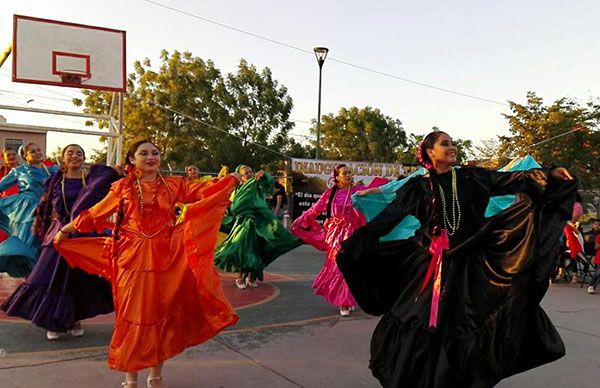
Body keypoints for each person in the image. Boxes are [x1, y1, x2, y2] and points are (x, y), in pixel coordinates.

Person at [337, 131, 577, 387]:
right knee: (420, 325)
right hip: (429, 270)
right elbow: (387, 219)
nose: (452, 147)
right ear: (430, 152)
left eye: (452, 143)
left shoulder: (469, 177)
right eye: (445, 144)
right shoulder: (416, 187)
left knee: (470, 326)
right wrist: (353, 246)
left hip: (471, 268)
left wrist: (549, 174)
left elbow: (511, 179)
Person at [54, 140, 240, 388]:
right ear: (132, 160)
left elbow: (202, 192)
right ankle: (130, 378)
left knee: (159, 315)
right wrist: (66, 230)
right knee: (131, 314)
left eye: (155, 153)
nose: (151, 157)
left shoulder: (174, 185)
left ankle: (156, 376)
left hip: (167, 256)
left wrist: (230, 180)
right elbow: (96, 213)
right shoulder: (122, 188)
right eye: (144, 153)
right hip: (130, 258)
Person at [1, 144, 119, 340]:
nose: (75, 156)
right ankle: (52, 321)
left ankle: (75, 318)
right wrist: (38, 225)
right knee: (50, 276)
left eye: (79, 153)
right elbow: (45, 205)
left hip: (82, 235)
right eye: (70, 153)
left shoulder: (91, 179)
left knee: (78, 279)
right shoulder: (56, 180)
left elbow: (109, 176)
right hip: (57, 235)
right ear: (62, 158)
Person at [291, 164, 386, 316]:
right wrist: (300, 221)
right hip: (336, 236)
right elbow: (314, 210)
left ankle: (348, 297)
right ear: (337, 177)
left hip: (354, 235)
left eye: (349, 173)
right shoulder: (330, 194)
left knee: (354, 267)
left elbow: (375, 200)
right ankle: (343, 302)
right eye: (344, 173)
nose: (348, 175)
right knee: (339, 267)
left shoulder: (358, 192)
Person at [215, 165, 301, 289]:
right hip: (244, 222)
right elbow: (234, 207)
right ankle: (241, 276)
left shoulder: (258, 184)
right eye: (246, 173)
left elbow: (270, 182)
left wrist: (264, 174)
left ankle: (252, 276)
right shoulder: (237, 189)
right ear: (241, 177)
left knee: (260, 247)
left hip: (261, 221)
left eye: (251, 171)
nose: (249, 174)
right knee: (243, 247)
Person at [0, 143, 59, 277]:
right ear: (26, 156)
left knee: (46, 243)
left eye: (39, 150)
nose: (38, 152)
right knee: (29, 244)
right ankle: (31, 277)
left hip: (48, 210)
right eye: (32, 151)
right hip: (26, 212)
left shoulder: (53, 170)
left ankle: (42, 276)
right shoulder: (19, 171)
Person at [585, 219, 600, 294]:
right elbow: (595, 247)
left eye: (599, 225)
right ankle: (591, 286)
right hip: (593, 253)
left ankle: (592, 286)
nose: (597, 226)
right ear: (593, 225)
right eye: (596, 224)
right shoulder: (589, 234)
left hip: (596, 254)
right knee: (598, 272)